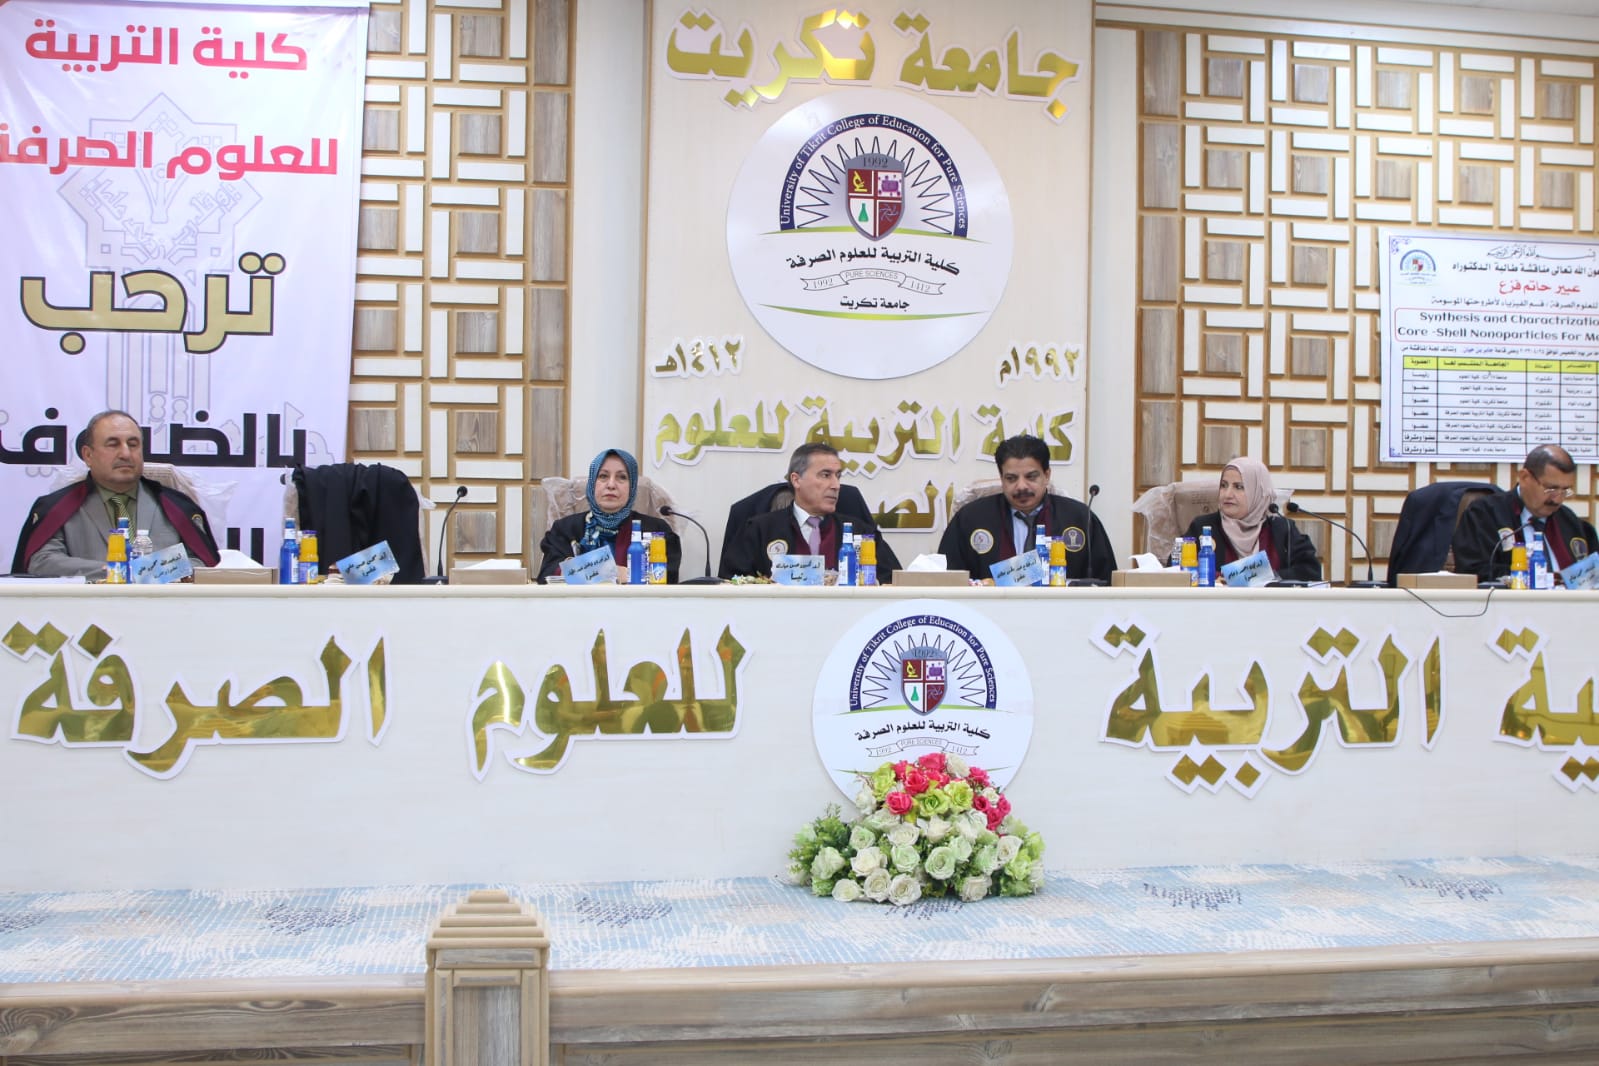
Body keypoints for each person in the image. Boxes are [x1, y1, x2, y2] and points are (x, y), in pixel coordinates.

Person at [11, 410, 220, 578]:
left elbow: (201, 563)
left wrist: (145, 573)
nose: (126, 453)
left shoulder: (177, 507)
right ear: (88, 455)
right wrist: (118, 573)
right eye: (113, 444)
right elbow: (42, 563)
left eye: (133, 444)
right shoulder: (58, 508)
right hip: (86, 613)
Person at [938, 434, 1115, 582]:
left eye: (1031, 477)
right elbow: (946, 580)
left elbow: (1107, 582)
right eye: (1011, 478)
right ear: (1001, 478)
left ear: (1047, 475)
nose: (1021, 486)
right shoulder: (971, 518)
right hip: (989, 611)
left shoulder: (1080, 518)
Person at [723, 442, 901, 581]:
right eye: (825, 475)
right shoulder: (759, 530)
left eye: (838, 476)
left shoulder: (861, 533)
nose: (836, 485)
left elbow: (892, 581)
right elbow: (730, 583)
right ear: (796, 480)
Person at [1452, 444, 1595, 583]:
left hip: (1569, 599)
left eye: (1565, 490)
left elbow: (1593, 575)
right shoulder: (1485, 514)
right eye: (1551, 489)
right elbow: (1472, 572)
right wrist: (1523, 573)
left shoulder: (1570, 521)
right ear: (1525, 477)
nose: (1557, 499)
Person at [537, 448, 681, 583]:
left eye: (622, 477)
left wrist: (578, 570)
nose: (611, 485)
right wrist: (611, 571)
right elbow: (547, 576)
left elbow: (668, 579)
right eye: (603, 476)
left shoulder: (656, 530)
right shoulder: (565, 529)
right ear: (592, 484)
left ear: (632, 487)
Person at [1183, 457, 1321, 583]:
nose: (1227, 494)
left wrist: (1263, 577)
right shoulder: (1203, 527)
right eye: (1223, 485)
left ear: (1258, 492)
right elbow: (1178, 568)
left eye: (1239, 487)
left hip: (1270, 602)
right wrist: (1220, 579)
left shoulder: (1282, 529)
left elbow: (1310, 571)